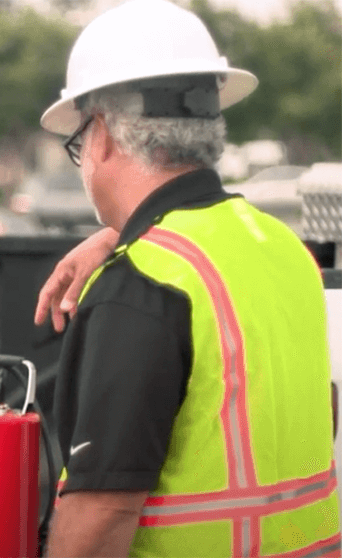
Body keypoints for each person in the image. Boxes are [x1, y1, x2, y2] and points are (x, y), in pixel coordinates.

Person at [32, 0, 339, 556]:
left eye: (78, 144)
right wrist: (122, 235)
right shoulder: (284, 249)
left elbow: (102, 515)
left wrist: (128, 244)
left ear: (99, 137)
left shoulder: (140, 285)